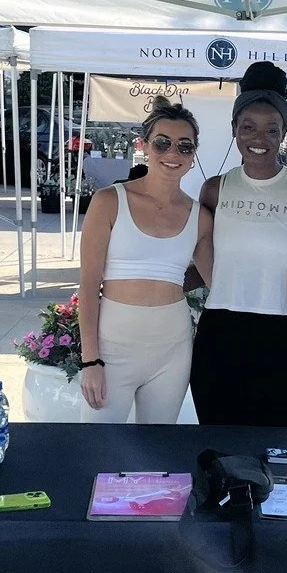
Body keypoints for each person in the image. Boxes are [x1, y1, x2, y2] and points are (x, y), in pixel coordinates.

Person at [190, 62, 287, 428]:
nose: (259, 138)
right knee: (215, 441)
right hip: (219, 332)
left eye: (271, 129)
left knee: (275, 443)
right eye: (248, 126)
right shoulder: (214, 190)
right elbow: (199, 263)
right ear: (234, 128)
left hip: (281, 335)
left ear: (284, 133)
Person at [76, 97, 201, 424]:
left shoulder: (200, 215)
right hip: (112, 348)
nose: (172, 153)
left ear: (193, 155)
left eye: (184, 146)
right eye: (162, 143)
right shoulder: (108, 201)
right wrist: (90, 361)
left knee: (157, 448)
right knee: (98, 446)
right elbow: (88, 285)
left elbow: (218, 275)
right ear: (144, 145)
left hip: (172, 350)